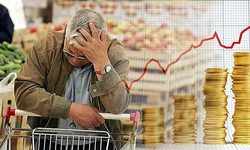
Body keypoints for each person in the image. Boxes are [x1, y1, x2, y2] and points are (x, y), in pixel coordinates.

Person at [14, 9, 131, 149]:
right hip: (49, 139)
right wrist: (71, 110)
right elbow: (24, 93)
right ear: (65, 34)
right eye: (69, 52)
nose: (75, 60)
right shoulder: (46, 47)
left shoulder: (114, 54)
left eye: (83, 56)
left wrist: (102, 63)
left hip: (101, 143)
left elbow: (118, 106)